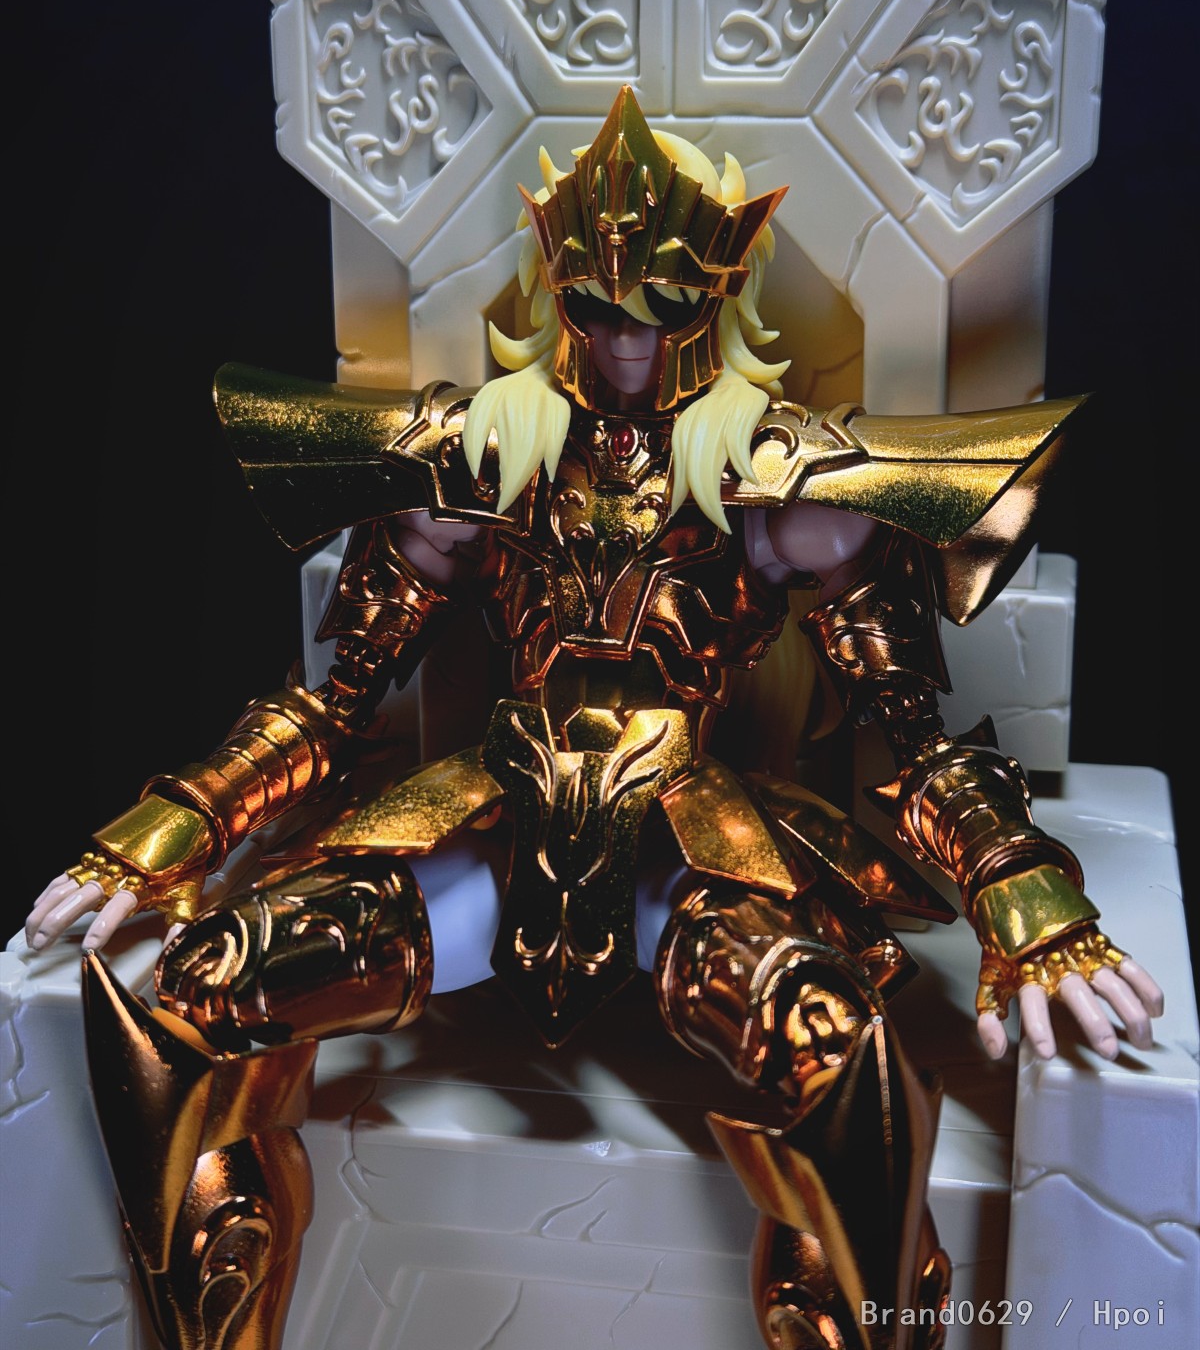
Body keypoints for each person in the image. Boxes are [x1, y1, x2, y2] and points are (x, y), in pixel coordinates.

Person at [26, 87, 1161, 1350]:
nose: (629, 343)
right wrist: (184, 815)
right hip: (492, 834)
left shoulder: (775, 478)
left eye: (663, 307)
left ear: (718, 294)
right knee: (198, 992)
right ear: (556, 293)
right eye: (599, 307)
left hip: (686, 856)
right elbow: (337, 701)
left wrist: (1020, 889)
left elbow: (912, 729)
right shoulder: (482, 459)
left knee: (841, 1060)